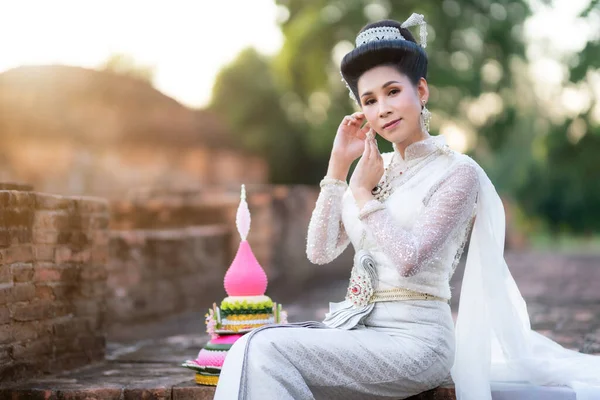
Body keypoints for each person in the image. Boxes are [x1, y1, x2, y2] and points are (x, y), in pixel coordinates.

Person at [215, 14, 600, 400]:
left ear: (422, 91)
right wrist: (337, 168)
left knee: (263, 349)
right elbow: (319, 251)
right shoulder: (374, 169)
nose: (382, 108)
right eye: (369, 100)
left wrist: (364, 195)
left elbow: (410, 259)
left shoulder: (457, 172)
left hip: (418, 344)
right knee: (251, 346)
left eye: (393, 91)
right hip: (359, 331)